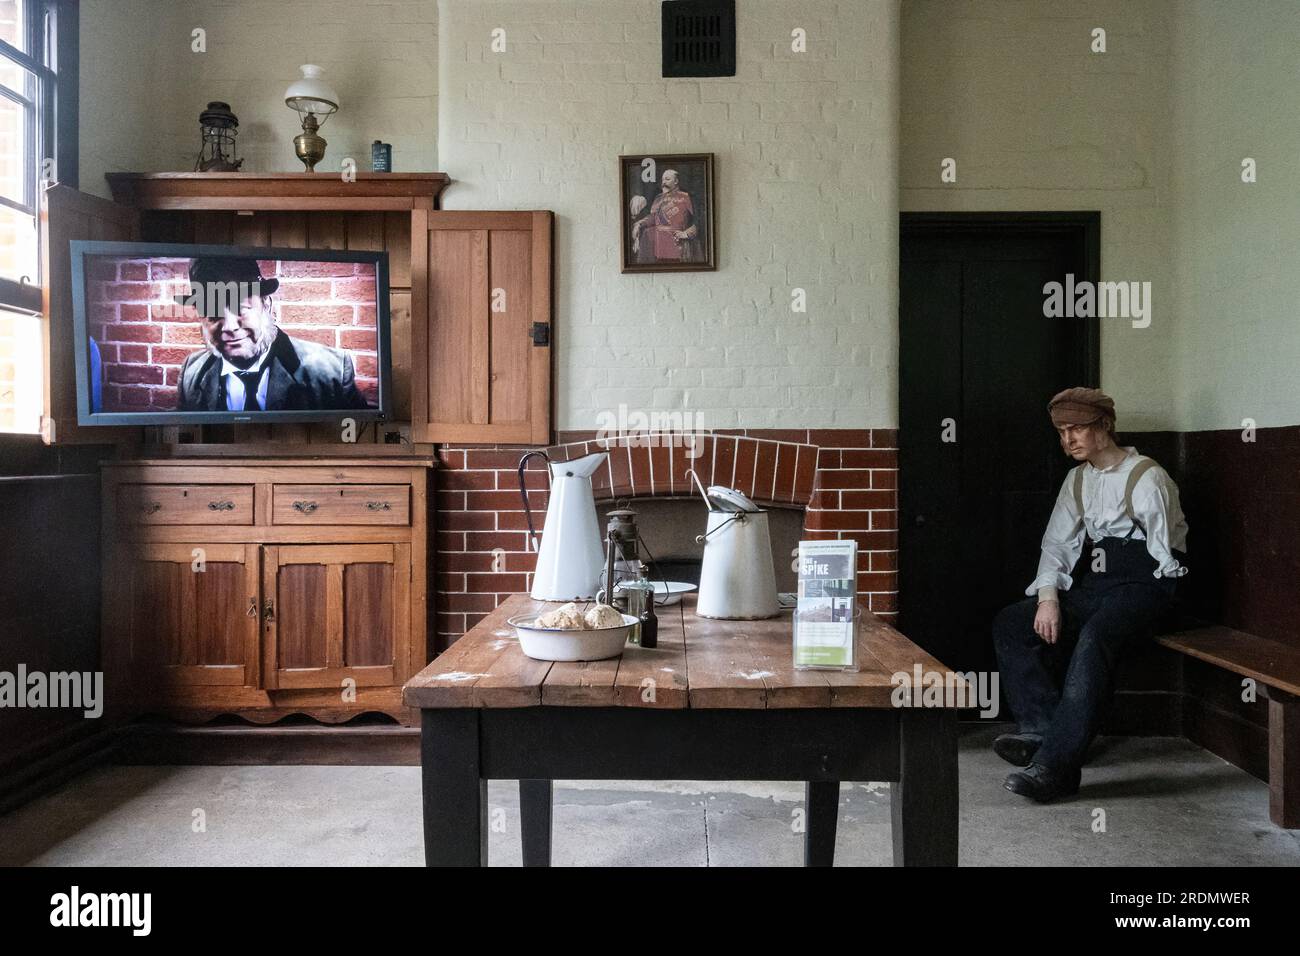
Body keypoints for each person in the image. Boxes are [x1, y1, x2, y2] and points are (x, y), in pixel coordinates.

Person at [992, 387, 1188, 802]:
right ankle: (1043, 732)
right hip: (1099, 586)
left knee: (1094, 637)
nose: (1069, 439)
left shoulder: (1147, 477)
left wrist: (1127, 598)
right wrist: (1048, 598)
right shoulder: (1078, 479)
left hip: (1150, 585)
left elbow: (1166, 555)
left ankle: (1056, 769)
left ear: (1105, 426)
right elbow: (1057, 545)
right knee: (1013, 622)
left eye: (1078, 428)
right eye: (1062, 431)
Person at [173, 257, 369, 412]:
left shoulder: (331, 372)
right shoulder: (191, 373)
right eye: (214, 315)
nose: (229, 327)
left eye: (240, 308)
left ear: (266, 305)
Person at [630, 169, 702, 263]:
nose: (664, 182)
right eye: (663, 180)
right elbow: (654, 217)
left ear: (676, 181)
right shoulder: (658, 198)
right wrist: (640, 224)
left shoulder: (686, 197)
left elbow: (699, 220)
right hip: (658, 247)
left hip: (678, 245)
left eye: (667, 179)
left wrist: (686, 233)